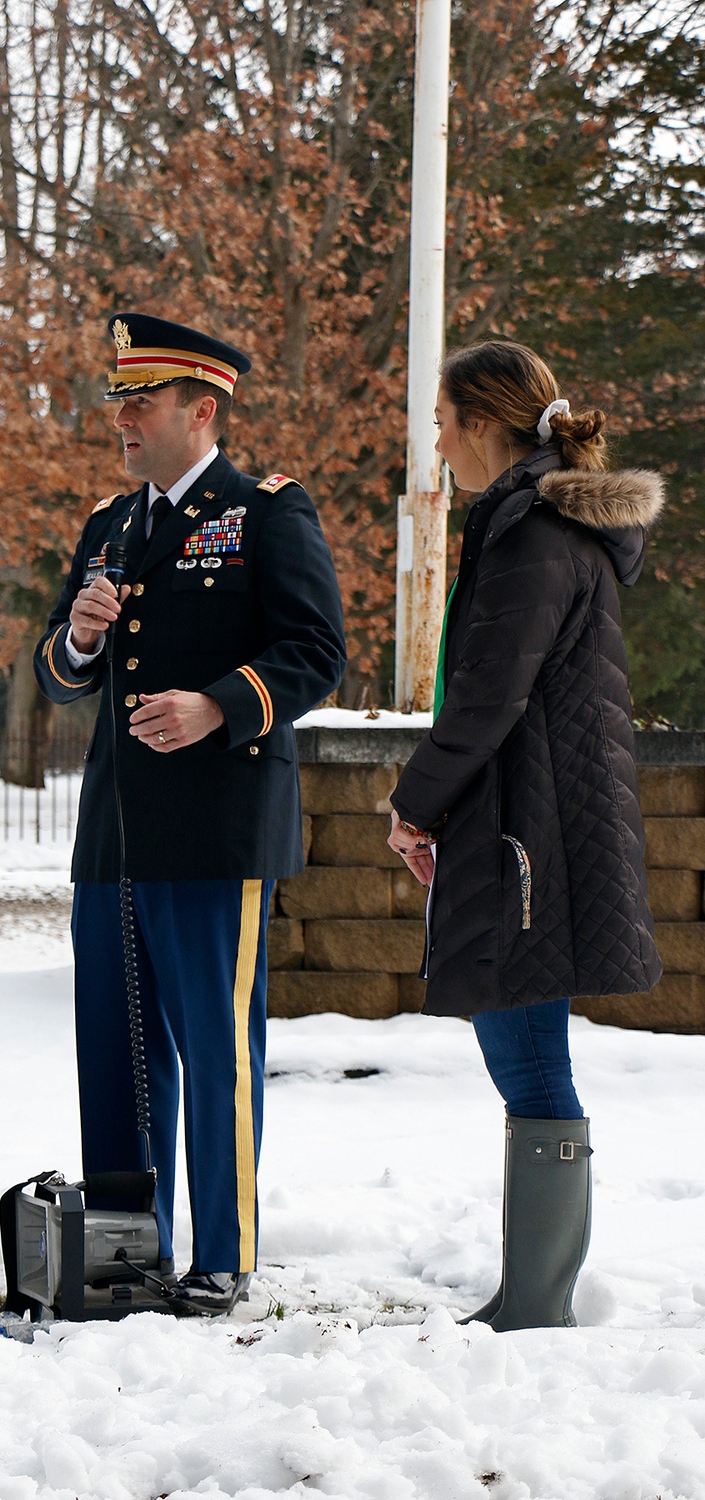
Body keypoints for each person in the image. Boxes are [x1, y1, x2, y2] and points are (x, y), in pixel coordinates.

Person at [35, 312, 346, 1316]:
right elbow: (58, 674)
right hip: (116, 833)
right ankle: (128, 1253)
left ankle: (222, 1257)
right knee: (116, 1053)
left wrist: (218, 704)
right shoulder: (110, 525)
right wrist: (78, 640)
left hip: (215, 829)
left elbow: (314, 652)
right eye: (118, 403)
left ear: (199, 409)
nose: (122, 420)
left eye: (140, 403)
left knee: (215, 1054)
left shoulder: (265, 513)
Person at [387, 340, 664, 1332]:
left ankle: (537, 1299)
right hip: (524, 819)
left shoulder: (535, 530)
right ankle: (531, 1292)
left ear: (477, 423)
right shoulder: (527, 519)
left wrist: (415, 801)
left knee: (525, 1043)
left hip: (530, 831)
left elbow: (488, 694)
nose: (435, 440)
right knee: (521, 1036)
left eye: (439, 419)